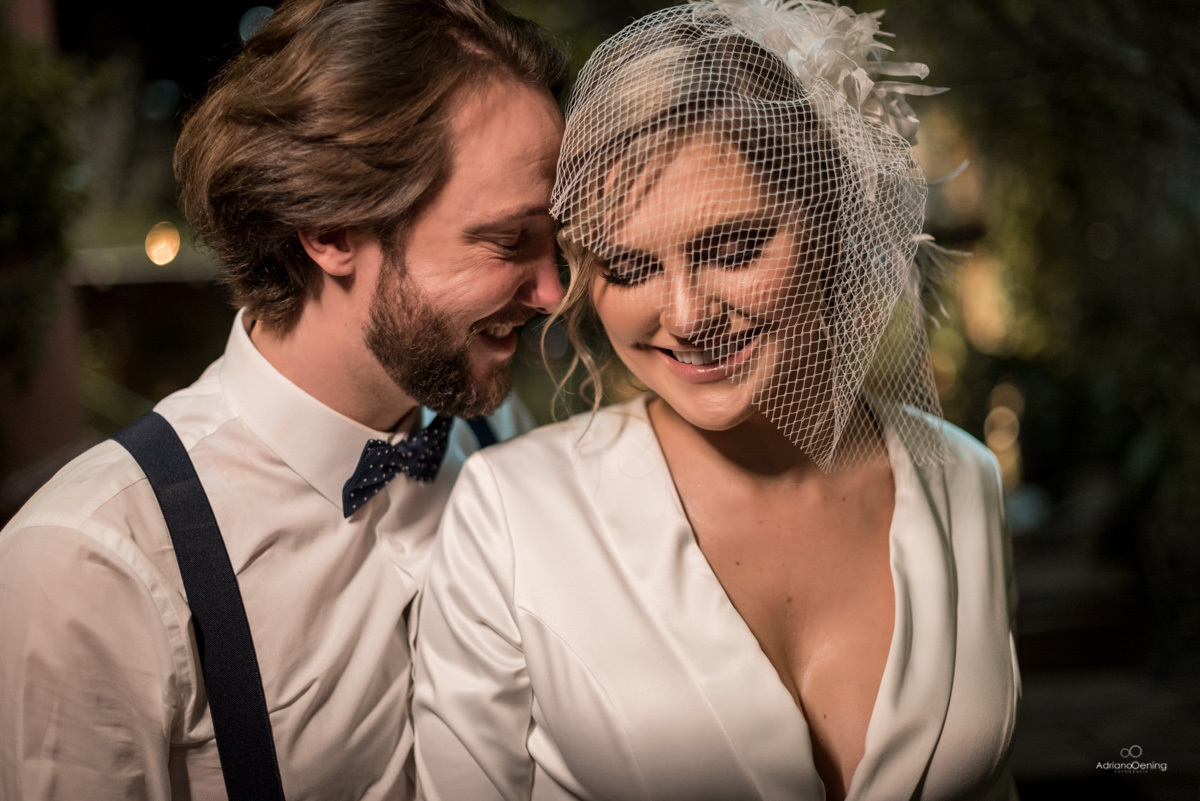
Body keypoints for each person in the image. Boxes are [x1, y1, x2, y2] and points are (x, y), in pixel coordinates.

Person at [412, 2, 1019, 800]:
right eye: (630, 268)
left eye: (733, 248)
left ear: (833, 220)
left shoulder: (963, 478)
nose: (688, 315)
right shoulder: (511, 514)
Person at [0, 0, 566, 798]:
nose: (551, 291)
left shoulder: (495, 428)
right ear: (330, 230)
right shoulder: (91, 563)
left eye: (556, 238)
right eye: (509, 241)